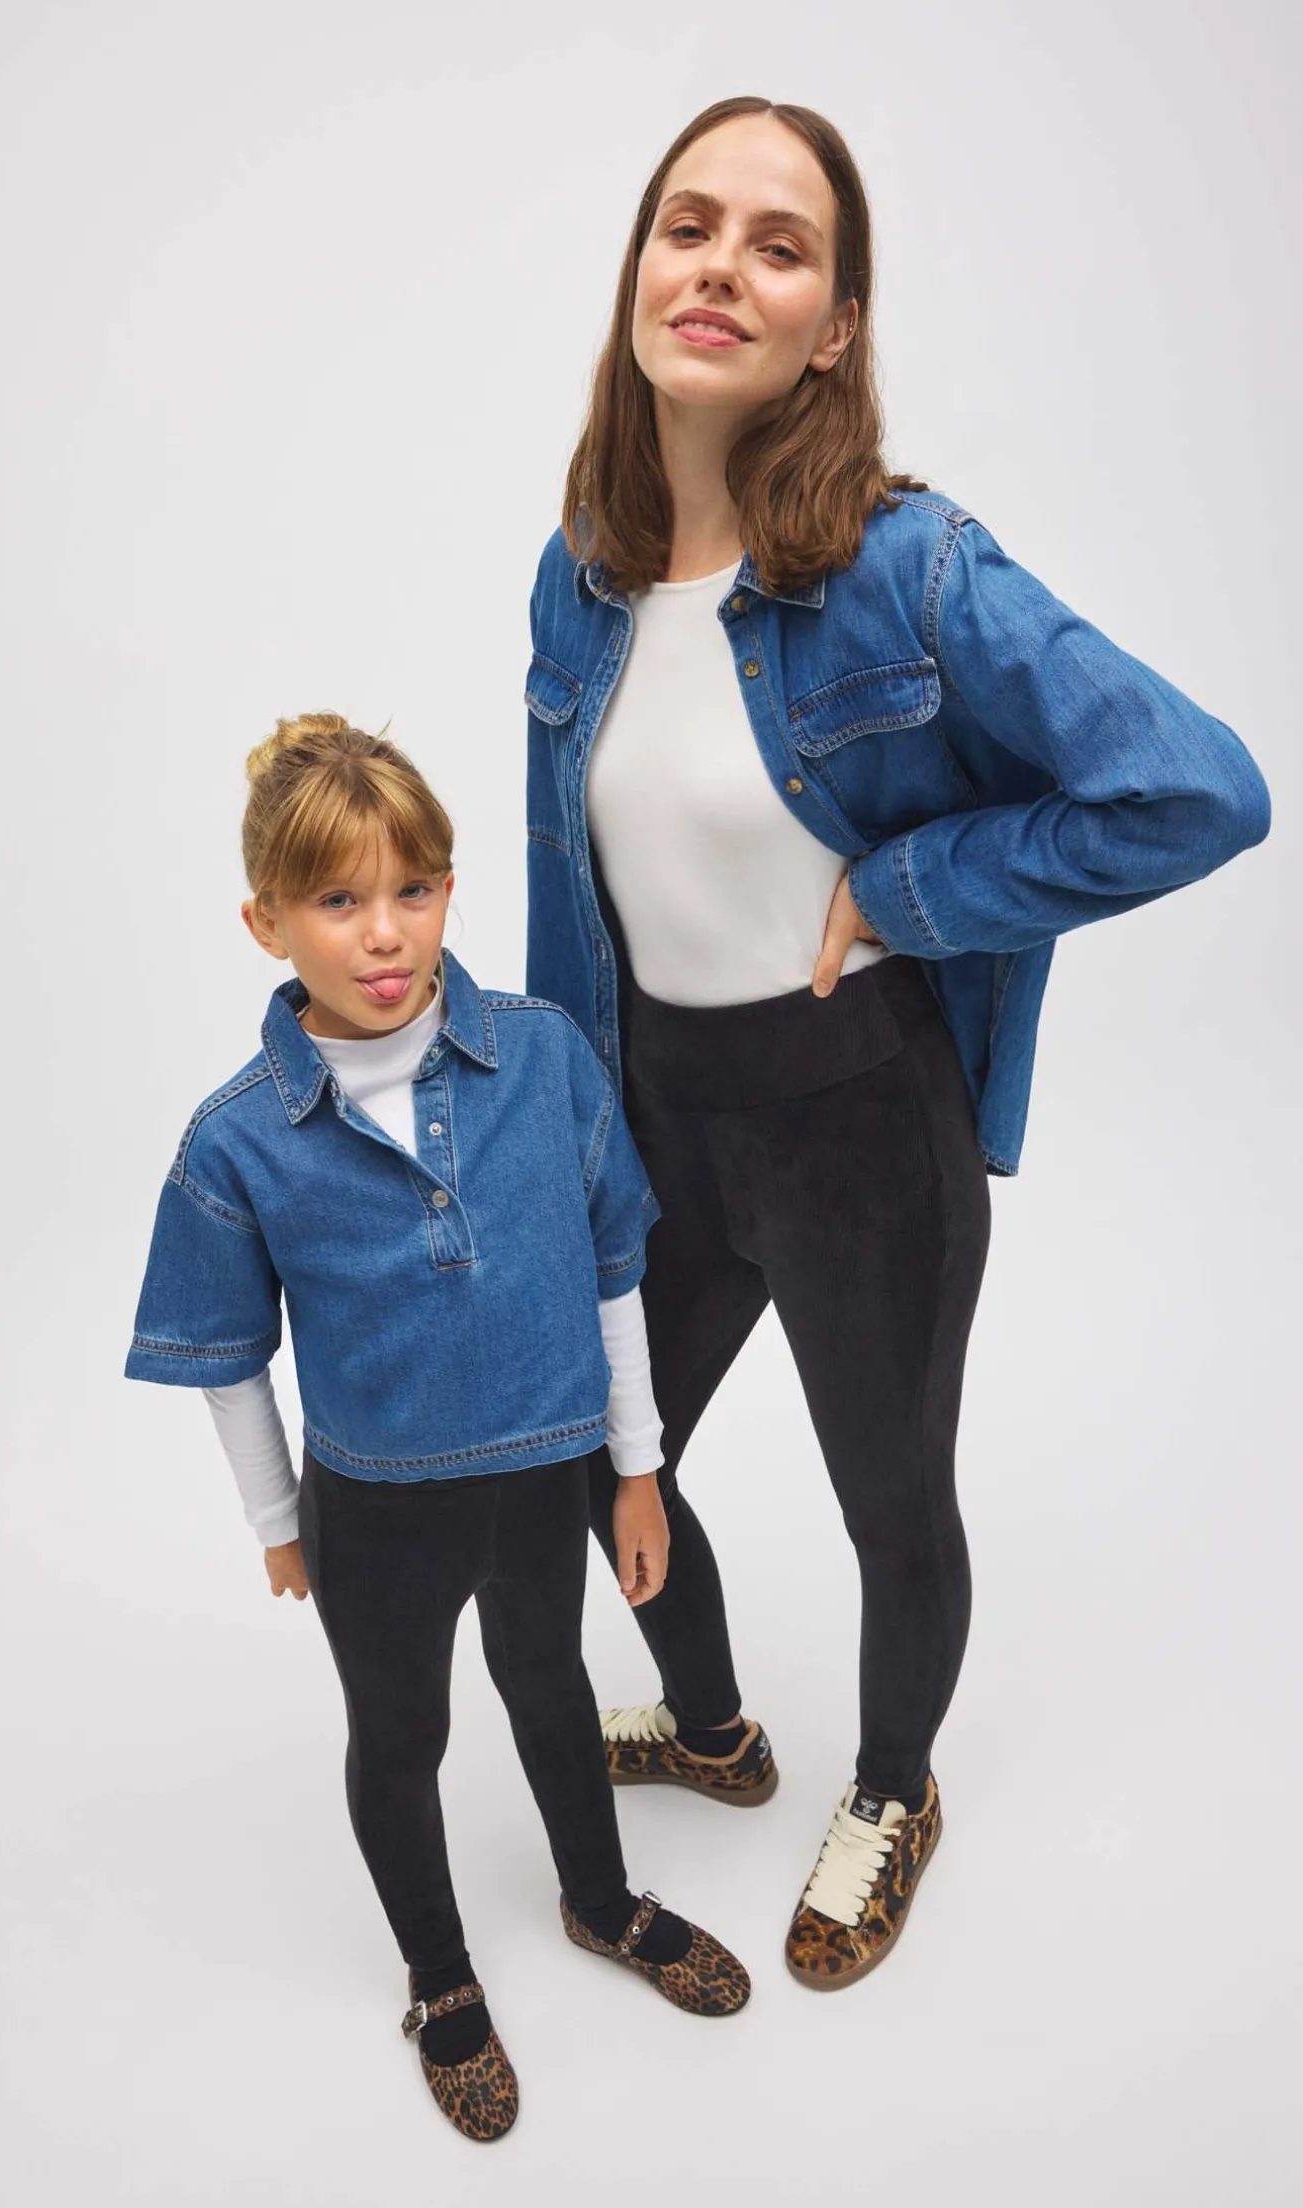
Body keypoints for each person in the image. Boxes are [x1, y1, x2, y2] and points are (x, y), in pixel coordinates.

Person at [523, 96, 1271, 1991]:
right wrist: (551, 1129)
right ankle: (714, 1730)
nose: (721, 267)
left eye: (779, 246)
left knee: (889, 1501)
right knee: (589, 1452)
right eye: (689, 224)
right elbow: (568, 887)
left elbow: (1197, 787)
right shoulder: (581, 574)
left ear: (835, 325)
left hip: (859, 1123)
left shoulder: (904, 565)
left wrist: (917, 886)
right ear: (639, 266)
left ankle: (892, 1786)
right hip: (657, 1120)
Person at [125, 715, 749, 2142]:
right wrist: (278, 1524)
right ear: (266, 922)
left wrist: (638, 1472)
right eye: (338, 900)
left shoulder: (542, 1058)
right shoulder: (237, 1138)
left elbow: (614, 1267)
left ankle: (602, 1901)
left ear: (450, 891)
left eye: (413, 889)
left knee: (553, 1688)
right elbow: (230, 1359)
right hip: (376, 1512)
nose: (384, 932)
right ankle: (440, 1974)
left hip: (541, 1481)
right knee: (402, 1733)